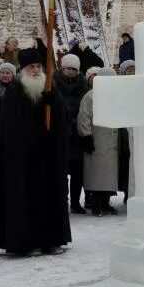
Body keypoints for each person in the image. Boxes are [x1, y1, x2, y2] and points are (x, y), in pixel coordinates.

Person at [0, 47, 72, 255]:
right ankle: (25, 243)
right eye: (31, 67)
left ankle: (50, 240)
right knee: (24, 200)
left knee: (49, 199)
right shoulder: (15, 92)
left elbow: (63, 119)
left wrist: (54, 104)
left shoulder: (51, 88)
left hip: (46, 158)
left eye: (38, 66)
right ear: (23, 69)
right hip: (23, 160)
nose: (35, 70)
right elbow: (11, 128)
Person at [78, 67, 120, 216]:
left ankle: (105, 202)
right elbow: (84, 117)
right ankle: (95, 204)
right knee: (96, 175)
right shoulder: (90, 96)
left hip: (112, 139)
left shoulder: (117, 96)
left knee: (108, 176)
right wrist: (86, 136)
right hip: (97, 138)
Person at [54, 53, 88, 213]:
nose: (70, 72)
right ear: (62, 68)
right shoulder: (54, 83)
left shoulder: (83, 85)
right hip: (60, 133)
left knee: (77, 172)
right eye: (68, 68)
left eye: (74, 69)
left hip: (77, 133)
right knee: (60, 172)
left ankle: (75, 202)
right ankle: (61, 201)